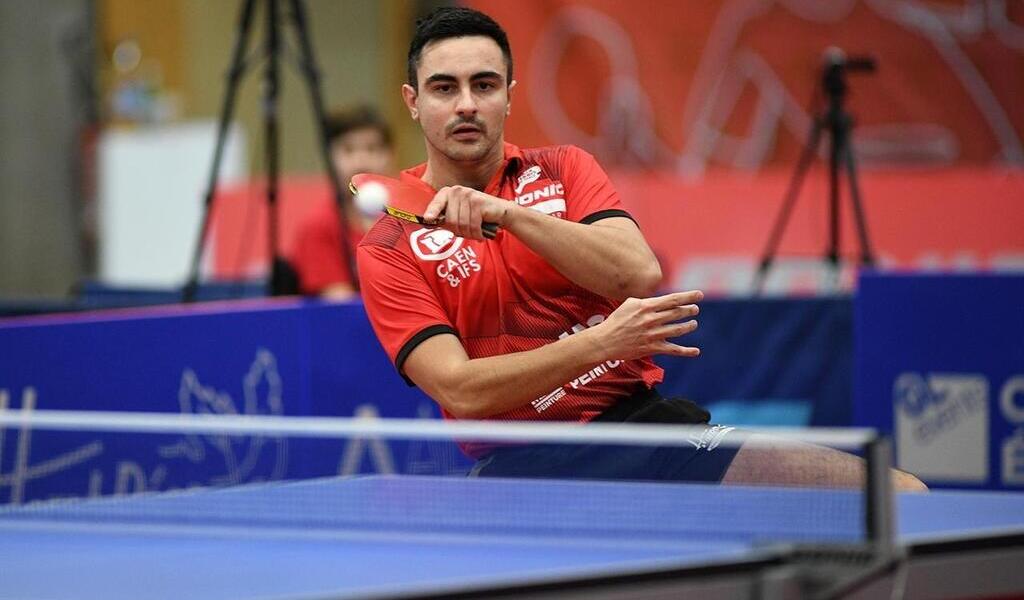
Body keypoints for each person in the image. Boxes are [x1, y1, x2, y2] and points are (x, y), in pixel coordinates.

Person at [356, 7, 926, 491]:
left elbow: (636, 272)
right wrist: (603, 343)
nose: (466, 104)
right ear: (412, 101)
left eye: (483, 84)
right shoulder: (388, 245)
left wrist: (507, 215)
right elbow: (460, 389)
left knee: (903, 496)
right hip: (521, 469)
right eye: (443, 87)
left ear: (509, 93)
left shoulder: (563, 168)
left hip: (647, 433)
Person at [291, 105, 394, 299]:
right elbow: (340, 305)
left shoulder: (409, 221)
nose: (361, 160)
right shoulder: (318, 227)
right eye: (348, 150)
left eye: (372, 149)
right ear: (328, 158)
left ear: (390, 156)